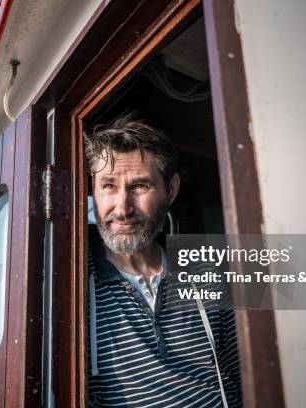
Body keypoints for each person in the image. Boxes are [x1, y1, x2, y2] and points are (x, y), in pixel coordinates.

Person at [86, 114, 242, 407]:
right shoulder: (72, 282)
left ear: (170, 190)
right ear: (94, 191)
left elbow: (244, 375)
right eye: (108, 186)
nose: (122, 208)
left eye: (140, 186)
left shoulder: (208, 270)